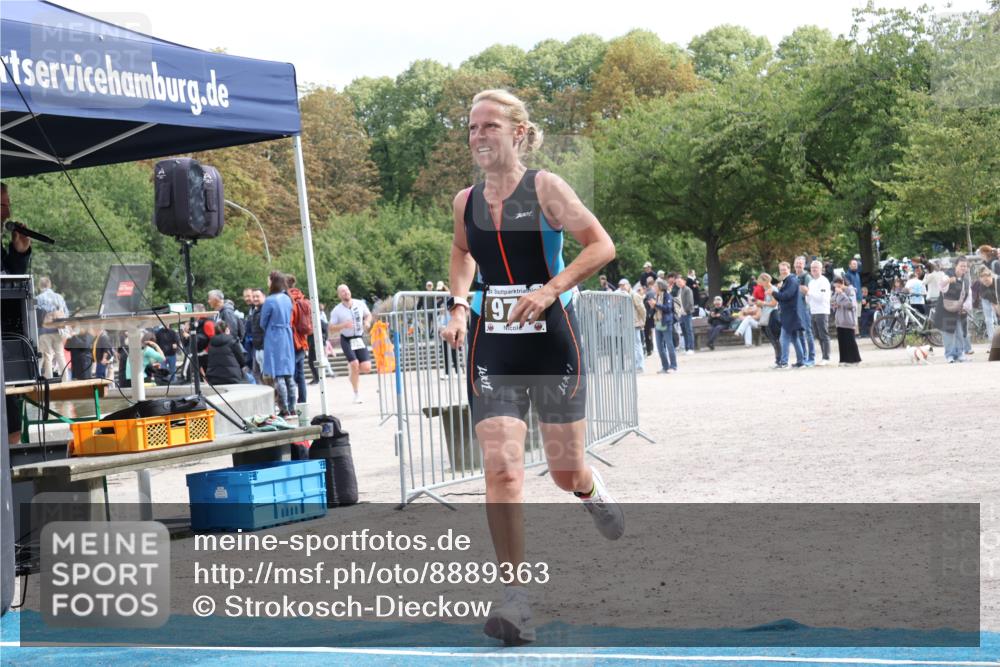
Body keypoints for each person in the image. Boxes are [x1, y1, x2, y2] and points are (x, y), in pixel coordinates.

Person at [439, 89, 621, 646]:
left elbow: (600, 245)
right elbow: (462, 253)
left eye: (489, 125)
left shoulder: (545, 187)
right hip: (493, 340)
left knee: (565, 471)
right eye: (472, 128)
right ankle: (515, 599)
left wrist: (550, 289)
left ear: (518, 132)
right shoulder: (464, 200)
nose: (478, 136)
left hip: (550, 341)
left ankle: (590, 490)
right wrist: (455, 305)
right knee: (502, 467)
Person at [260, 271, 297, 416]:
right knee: (288, 374)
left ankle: (284, 408)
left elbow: (263, 322)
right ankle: (293, 406)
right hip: (287, 335)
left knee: (278, 374)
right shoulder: (287, 298)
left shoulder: (270, 300)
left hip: (274, 336)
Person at [329, 283, 372, 404]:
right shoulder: (337, 310)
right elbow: (331, 327)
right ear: (339, 295)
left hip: (358, 338)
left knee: (366, 368)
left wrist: (367, 322)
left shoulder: (359, 303)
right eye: (343, 291)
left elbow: (368, 315)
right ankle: (356, 393)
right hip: (347, 339)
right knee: (354, 364)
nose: (346, 292)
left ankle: (352, 371)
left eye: (347, 290)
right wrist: (343, 325)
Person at [934, 257, 973, 363]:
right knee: (948, 333)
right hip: (945, 309)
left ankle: (960, 354)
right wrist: (948, 280)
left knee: (960, 332)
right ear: (956, 265)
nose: (963, 268)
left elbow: (968, 294)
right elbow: (941, 286)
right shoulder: (947, 274)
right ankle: (949, 355)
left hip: (958, 309)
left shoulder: (966, 279)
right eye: (961, 266)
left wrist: (965, 307)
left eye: (965, 266)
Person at [770, 262, 804, 369]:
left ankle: (784, 362)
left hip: (791, 314)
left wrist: (774, 293)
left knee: (783, 338)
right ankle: (800, 362)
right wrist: (777, 292)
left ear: (789, 269)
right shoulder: (787, 280)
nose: (783, 271)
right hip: (789, 313)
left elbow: (787, 295)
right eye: (781, 270)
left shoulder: (792, 280)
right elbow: (783, 296)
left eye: (784, 269)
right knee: (794, 338)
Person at [34, 276, 69, 379]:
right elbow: (66, 313)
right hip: (58, 330)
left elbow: (33, 314)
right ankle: (65, 378)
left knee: (48, 355)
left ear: (40, 286)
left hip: (44, 330)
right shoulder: (59, 297)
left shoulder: (37, 298)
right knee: (60, 354)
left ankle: (48, 379)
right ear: (49, 285)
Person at [285, 275, 310, 402]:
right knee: (300, 374)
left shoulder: (288, 299)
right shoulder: (301, 297)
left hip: (292, 341)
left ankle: (291, 402)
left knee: (290, 373)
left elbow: (289, 322)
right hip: (302, 340)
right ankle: (303, 400)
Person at [806, 260, 832, 365]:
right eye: (812, 268)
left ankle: (826, 357)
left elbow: (822, 298)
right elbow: (809, 299)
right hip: (813, 310)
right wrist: (807, 295)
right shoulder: (811, 282)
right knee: (817, 334)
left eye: (816, 268)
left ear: (821, 269)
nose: (814, 270)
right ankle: (823, 355)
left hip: (822, 310)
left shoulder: (824, 281)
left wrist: (809, 293)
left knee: (823, 334)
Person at [206, 320, 246, 385]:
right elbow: (241, 360)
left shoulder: (211, 343)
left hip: (213, 377)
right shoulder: (232, 341)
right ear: (227, 329)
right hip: (232, 376)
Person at [831, 277, 861, 364]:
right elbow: (833, 301)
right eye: (835, 286)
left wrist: (842, 294)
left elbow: (851, 305)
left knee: (850, 340)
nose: (837, 288)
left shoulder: (850, 290)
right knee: (842, 340)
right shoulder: (837, 292)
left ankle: (855, 359)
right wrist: (834, 304)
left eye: (838, 285)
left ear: (842, 282)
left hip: (848, 319)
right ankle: (844, 359)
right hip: (839, 319)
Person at [793, 256, 815, 366]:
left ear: (804, 264)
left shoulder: (807, 277)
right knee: (799, 334)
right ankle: (802, 358)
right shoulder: (793, 277)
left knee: (808, 333)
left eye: (800, 263)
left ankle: (811, 358)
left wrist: (806, 290)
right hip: (795, 309)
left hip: (805, 308)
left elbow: (811, 292)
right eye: (796, 263)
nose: (798, 265)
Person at [652, 278, 677, 372]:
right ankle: (665, 366)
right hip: (658, 322)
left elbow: (668, 308)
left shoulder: (667, 296)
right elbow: (656, 309)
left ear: (660, 287)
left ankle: (673, 366)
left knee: (669, 344)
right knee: (659, 346)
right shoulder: (657, 296)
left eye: (655, 286)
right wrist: (653, 306)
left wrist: (656, 305)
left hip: (666, 322)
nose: (654, 287)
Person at [620, 278, 645, 371]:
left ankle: (639, 366)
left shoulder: (634, 295)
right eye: (621, 286)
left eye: (624, 285)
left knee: (636, 345)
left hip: (635, 323)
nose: (622, 287)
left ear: (629, 285)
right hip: (628, 323)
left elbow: (642, 309)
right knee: (633, 345)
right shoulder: (625, 295)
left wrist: (643, 321)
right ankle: (635, 365)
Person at [676, 276, 695, 353]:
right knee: (684, 331)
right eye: (677, 282)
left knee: (689, 330)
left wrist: (686, 311)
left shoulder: (687, 289)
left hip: (687, 313)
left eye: (680, 282)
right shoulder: (679, 290)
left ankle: (691, 348)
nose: (678, 283)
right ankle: (687, 348)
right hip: (681, 314)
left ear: (684, 281)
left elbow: (690, 302)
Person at [845, 258, 863, 332]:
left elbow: (859, 286)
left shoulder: (857, 274)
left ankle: (856, 332)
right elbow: (847, 287)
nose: (855, 265)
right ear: (849, 265)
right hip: (852, 299)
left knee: (857, 316)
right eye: (853, 264)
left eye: (856, 264)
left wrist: (861, 297)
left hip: (858, 298)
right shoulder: (847, 275)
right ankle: (854, 333)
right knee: (853, 316)